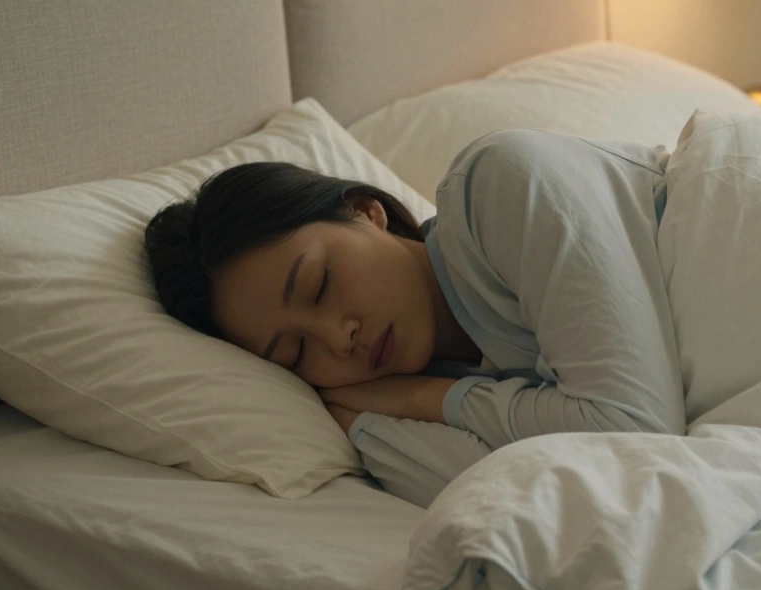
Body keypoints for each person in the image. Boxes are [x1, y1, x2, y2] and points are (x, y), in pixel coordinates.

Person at [144, 129, 686, 506]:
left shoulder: (499, 185)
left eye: (319, 285)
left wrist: (424, 399)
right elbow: (523, 505)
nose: (339, 338)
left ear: (364, 212)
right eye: (296, 353)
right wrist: (380, 420)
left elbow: (638, 436)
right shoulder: (369, 418)